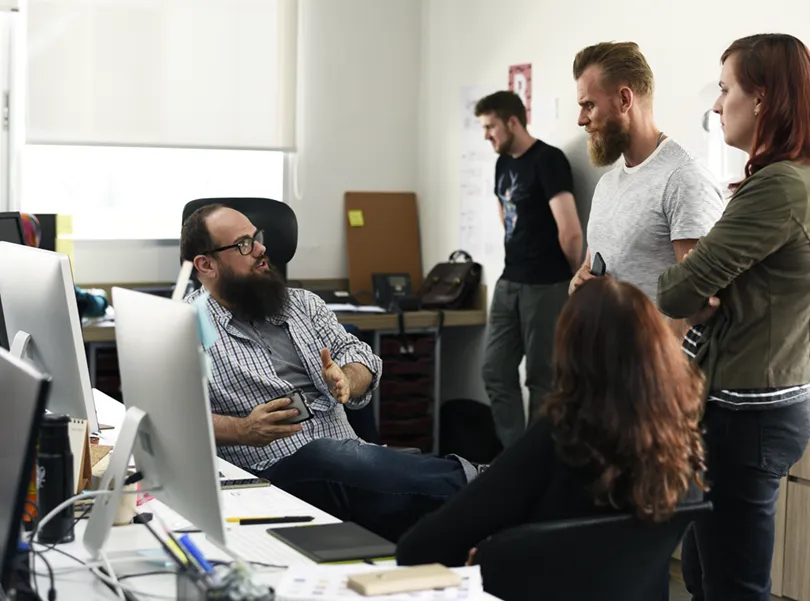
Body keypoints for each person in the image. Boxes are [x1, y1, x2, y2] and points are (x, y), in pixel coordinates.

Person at [180, 204, 481, 542]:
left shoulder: (302, 304)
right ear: (206, 264)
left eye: (257, 238)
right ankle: (487, 484)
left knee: (414, 511)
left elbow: (359, 354)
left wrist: (348, 379)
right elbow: (174, 419)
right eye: (244, 244)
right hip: (267, 473)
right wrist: (243, 428)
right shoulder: (183, 325)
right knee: (324, 457)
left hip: (351, 460)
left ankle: (485, 499)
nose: (262, 249)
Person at [397, 277, 705, 570]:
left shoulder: (561, 436)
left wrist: (494, 551)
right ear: (659, 350)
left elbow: (420, 547)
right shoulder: (681, 443)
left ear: (571, 354)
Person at [657, 34, 810, 601]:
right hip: (754, 405)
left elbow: (677, 291)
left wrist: (695, 278)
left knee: (733, 588)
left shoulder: (777, 187)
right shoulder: (786, 178)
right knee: (705, 576)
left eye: (726, 90)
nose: (717, 105)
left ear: (763, 99)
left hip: (747, 416)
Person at [568, 42, 725, 326]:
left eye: (588, 105)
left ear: (625, 100)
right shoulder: (607, 185)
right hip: (606, 360)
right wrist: (580, 281)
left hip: (652, 368)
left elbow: (698, 308)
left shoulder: (683, 178)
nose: (581, 120)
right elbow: (593, 265)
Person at [475, 91, 584, 448]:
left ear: (512, 121)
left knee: (542, 379)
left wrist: (566, 281)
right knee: (494, 370)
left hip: (546, 285)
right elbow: (504, 214)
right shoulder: (503, 163)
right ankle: (513, 454)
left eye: (490, 126)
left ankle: (536, 461)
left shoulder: (548, 160)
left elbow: (570, 231)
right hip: (510, 281)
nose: (486, 135)